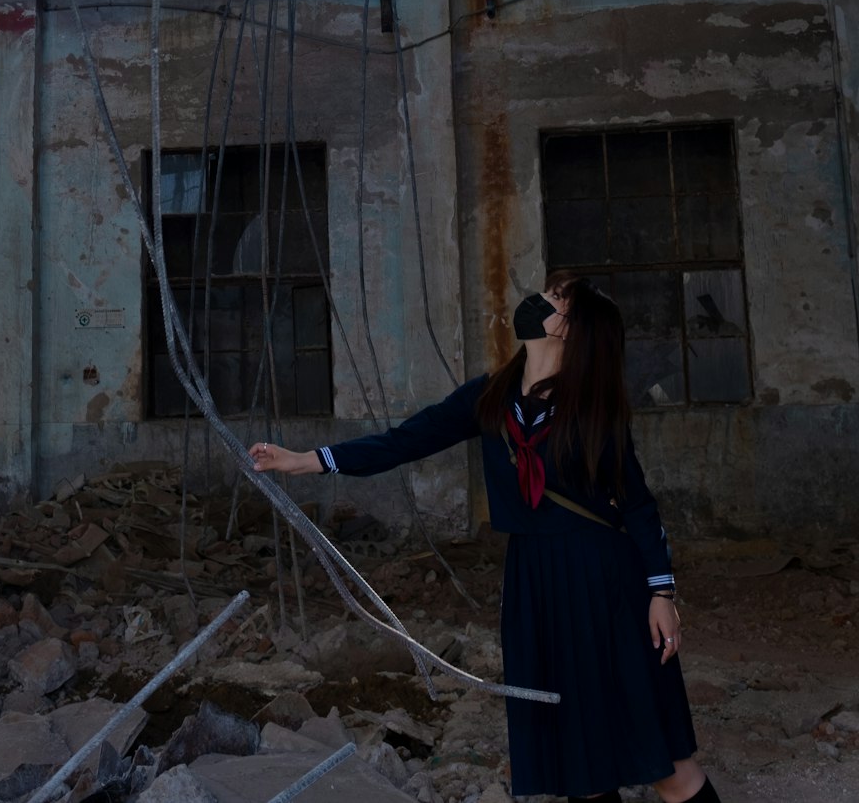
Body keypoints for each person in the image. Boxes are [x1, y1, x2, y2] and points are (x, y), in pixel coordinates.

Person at [251, 275, 722, 803]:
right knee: (578, 762)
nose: (536, 300)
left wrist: (662, 593)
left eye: (552, 298)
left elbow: (636, 504)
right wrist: (306, 461)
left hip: (602, 581)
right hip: (535, 583)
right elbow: (404, 441)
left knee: (663, 760)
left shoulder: (592, 407)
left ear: (568, 327)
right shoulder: (491, 396)